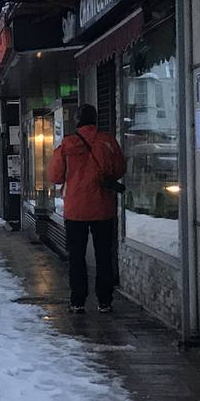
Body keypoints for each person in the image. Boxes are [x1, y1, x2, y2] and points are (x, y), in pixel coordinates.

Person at [48, 104, 126, 314]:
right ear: (95, 119)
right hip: (103, 208)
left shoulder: (67, 144)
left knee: (76, 257)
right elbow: (119, 168)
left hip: (75, 210)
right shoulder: (107, 141)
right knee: (103, 255)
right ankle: (105, 301)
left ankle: (78, 300)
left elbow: (55, 176)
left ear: (77, 121)